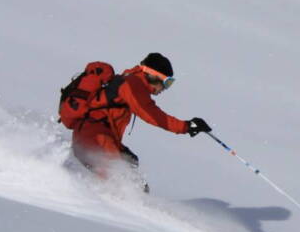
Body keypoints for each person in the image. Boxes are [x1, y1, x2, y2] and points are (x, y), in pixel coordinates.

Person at [70, 52, 211, 179]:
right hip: (96, 136)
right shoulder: (133, 83)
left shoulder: (131, 81)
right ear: (153, 75)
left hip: (93, 135)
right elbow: (152, 115)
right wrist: (187, 126)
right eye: (166, 82)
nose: (165, 88)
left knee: (130, 164)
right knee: (116, 179)